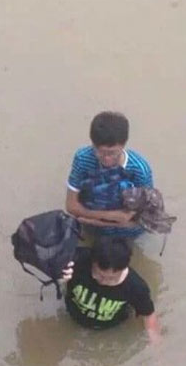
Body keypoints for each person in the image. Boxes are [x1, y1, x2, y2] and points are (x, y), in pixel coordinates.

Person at [65, 111, 153, 239]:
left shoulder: (140, 170)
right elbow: (71, 206)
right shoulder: (82, 158)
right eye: (99, 152)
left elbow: (146, 218)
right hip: (91, 229)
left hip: (125, 235)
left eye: (112, 153)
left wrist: (92, 219)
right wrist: (111, 216)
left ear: (123, 145)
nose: (106, 158)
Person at [59, 237, 162, 344]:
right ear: (92, 262)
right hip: (70, 315)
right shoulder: (77, 260)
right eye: (99, 275)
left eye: (112, 278)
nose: (104, 281)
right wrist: (60, 276)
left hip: (111, 328)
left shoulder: (136, 287)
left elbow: (148, 315)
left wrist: (155, 343)